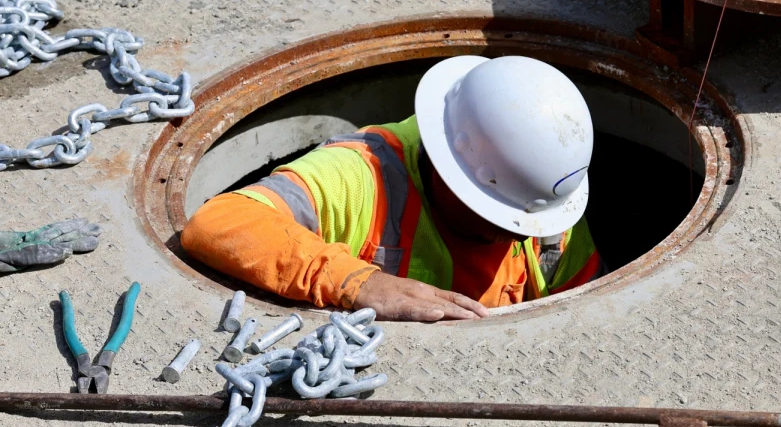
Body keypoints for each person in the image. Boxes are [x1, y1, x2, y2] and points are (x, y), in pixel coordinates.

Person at [182, 55, 604, 322]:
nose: (516, 235)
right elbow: (219, 222)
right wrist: (358, 283)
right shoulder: (358, 177)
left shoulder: (544, 208)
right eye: (495, 215)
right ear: (446, 166)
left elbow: (587, 316)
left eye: (520, 223)